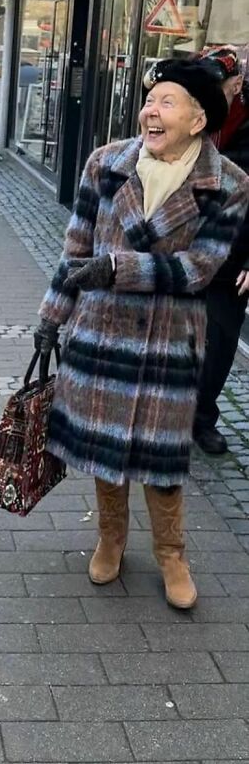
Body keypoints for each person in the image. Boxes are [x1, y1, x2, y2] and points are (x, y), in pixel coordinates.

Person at [35, 59, 249, 611]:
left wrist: (119, 269)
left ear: (199, 120)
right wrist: (50, 319)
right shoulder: (106, 164)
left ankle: (171, 554)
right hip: (101, 334)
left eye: (167, 102)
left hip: (169, 340)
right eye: (150, 100)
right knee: (106, 449)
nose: (150, 111)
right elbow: (75, 249)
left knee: (162, 455)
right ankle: (110, 537)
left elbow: (200, 270)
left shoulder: (228, 184)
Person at [193, 47, 249, 454]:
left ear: (237, 85)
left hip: (234, 253)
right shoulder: (188, 121)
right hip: (185, 249)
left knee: (222, 341)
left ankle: (202, 417)